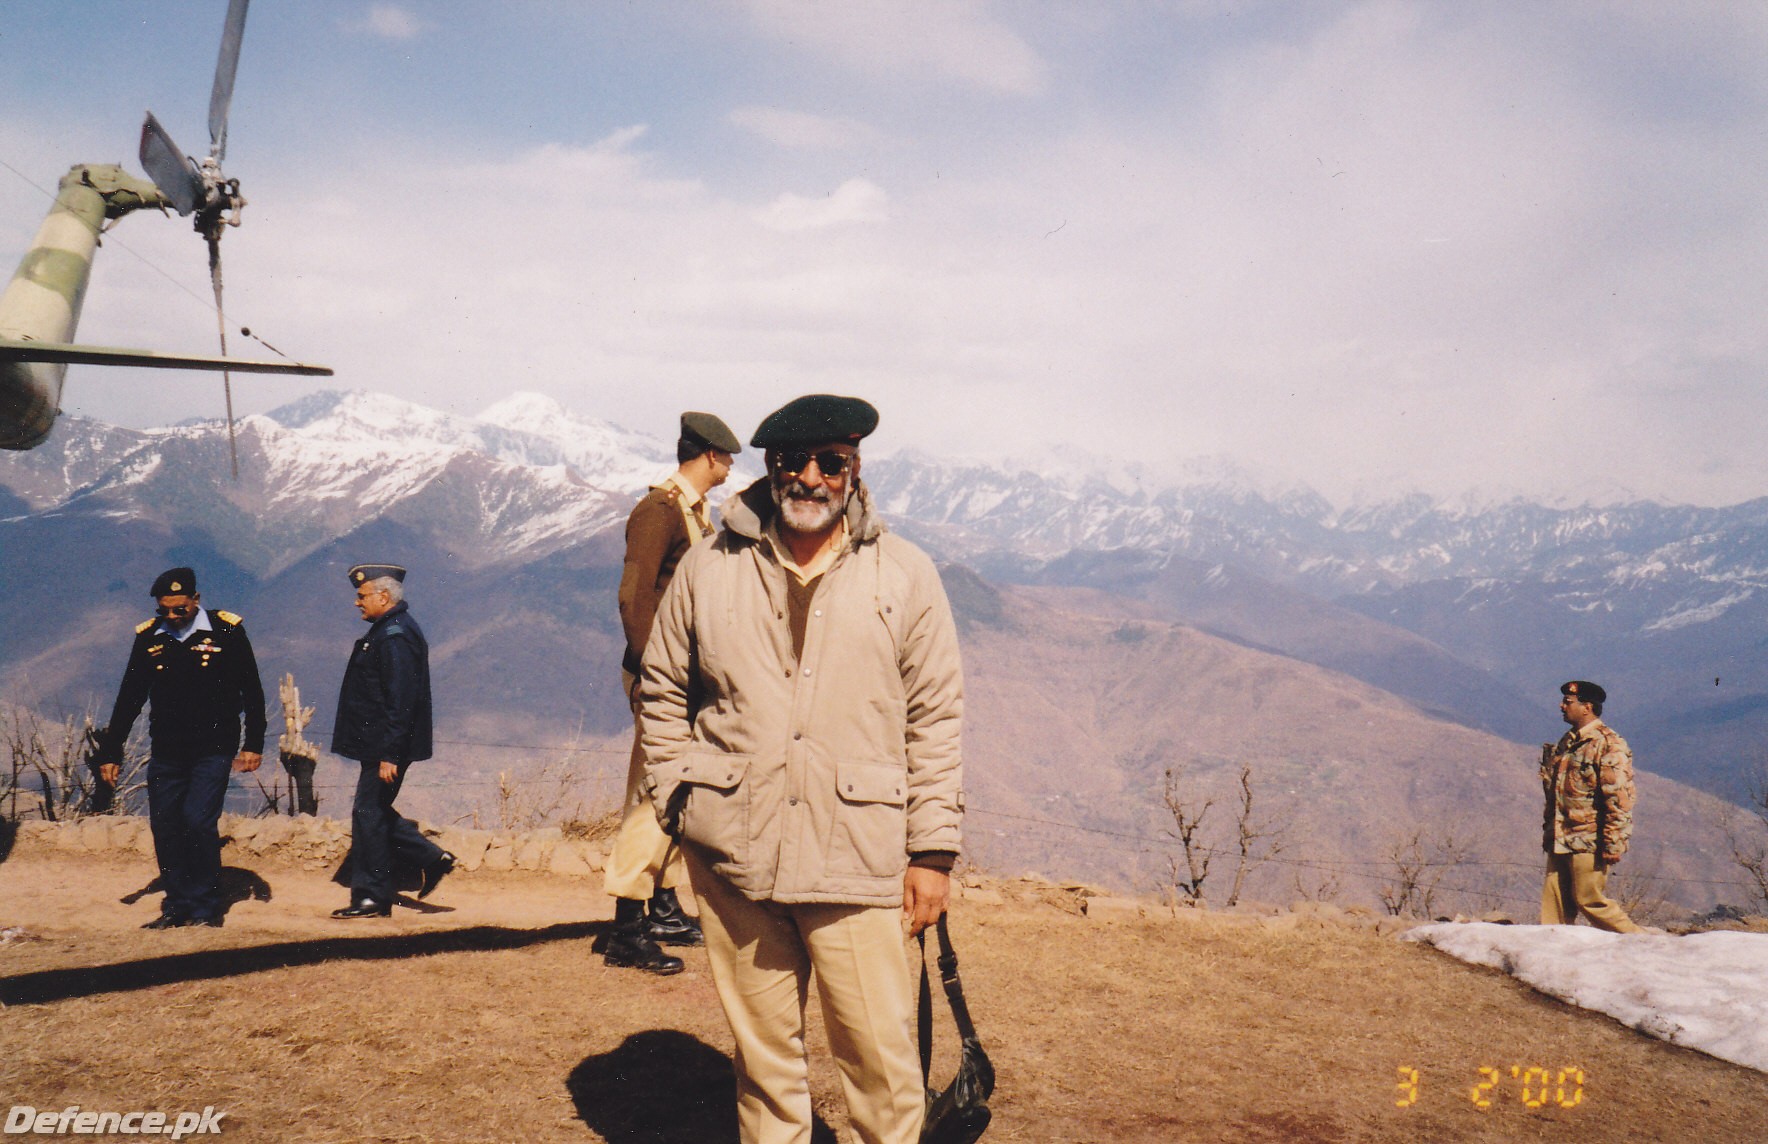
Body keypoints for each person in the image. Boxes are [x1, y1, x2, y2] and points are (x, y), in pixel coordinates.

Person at [640, 394, 965, 1144]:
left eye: (831, 463)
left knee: (883, 1071)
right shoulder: (709, 566)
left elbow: (936, 718)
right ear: (769, 468)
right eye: (793, 462)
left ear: (855, 469)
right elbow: (660, 687)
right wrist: (677, 800)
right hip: (734, 859)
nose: (811, 478)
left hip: (859, 861)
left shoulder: (905, 575)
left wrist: (932, 852)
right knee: (765, 1070)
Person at [603, 411, 742, 974]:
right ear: (709, 456)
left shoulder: (691, 513)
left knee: (676, 789)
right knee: (653, 795)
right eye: (727, 458)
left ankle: (658, 904)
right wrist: (655, 674)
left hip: (685, 678)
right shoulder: (658, 511)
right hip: (664, 680)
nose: (731, 467)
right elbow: (635, 597)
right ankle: (626, 927)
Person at [93, 567, 265, 929]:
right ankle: (176, 904)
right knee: (166, 825)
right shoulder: (149, 638)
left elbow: (252, 689)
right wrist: (111, 751)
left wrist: (253, 743)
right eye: (165, 610)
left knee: (198, 821)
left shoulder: (226, 631)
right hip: (168, 748)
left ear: (196, 600)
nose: (172, 616)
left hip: (213, 745)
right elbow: (130, 697)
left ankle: (205, 906)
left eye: (179, 609)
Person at [331, 564, 454, 919]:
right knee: (374, 810)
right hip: (378, 745)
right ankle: (433, 859)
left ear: (383, 597)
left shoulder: (395, 636)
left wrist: (390, 754)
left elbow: (401, 700)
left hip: (386, 747)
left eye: (361, 595)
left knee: (368, 813)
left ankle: (371, 897)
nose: (357, 603)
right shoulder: (386, 630)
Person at [1539, 680, 1641, 933]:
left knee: (1590, 900)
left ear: (1587, 707)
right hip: (1562, 837)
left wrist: (1613, 842)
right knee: (1555, 908)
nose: (1562, 706)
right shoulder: (1568, 742)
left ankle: (1641, 943)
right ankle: (1552, 956)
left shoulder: (1608, 744)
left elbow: (1619, 799)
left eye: (1568, 702)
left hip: (1589, 840)